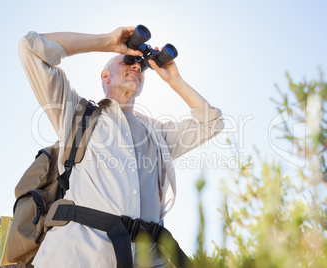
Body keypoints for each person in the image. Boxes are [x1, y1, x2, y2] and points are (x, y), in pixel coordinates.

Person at [18, 26, 224, 267]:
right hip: (79, 256)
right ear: (105, 76)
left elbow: (212, 123)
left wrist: (174, 80)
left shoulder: (157, 135)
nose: (137, 66)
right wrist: (107, 42)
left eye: (142, 65)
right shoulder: (77, 114)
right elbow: (31, 47)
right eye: (128, 60)